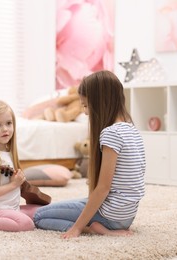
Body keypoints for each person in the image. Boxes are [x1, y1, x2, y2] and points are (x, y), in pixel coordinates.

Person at [33, 70, 146, 238]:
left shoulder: (111, 133)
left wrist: (77, 228)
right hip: (126, 217)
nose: (85, 112)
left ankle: (94, 229)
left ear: (101, 102)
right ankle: (97, 225)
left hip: (110, 216)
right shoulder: (132, 130)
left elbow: (103, 188)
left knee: (39, 216)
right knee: (74, 204)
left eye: (86, 105)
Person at [0, 100, 51, 231]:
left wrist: (18, 179)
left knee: (44, 212)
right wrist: (13, 184)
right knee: (26, 224)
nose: (5, 129)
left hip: (12, 208)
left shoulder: (8, 153)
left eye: (8, 123)